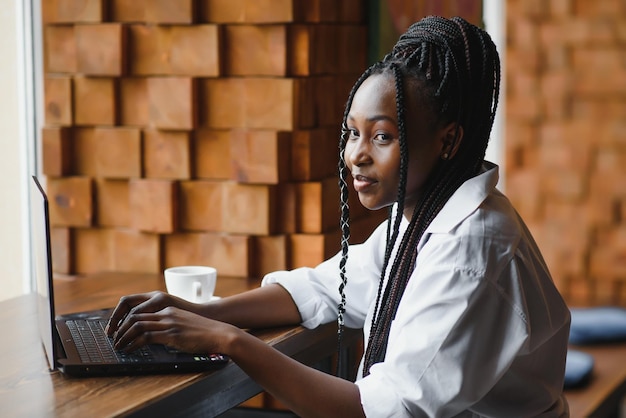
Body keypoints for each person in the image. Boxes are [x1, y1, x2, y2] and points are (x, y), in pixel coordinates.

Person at [106, 16, 571, 417]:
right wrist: (201, 311)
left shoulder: (469, 249)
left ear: (448, 141)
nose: (357, 155)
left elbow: (378, 412)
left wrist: (229, 340)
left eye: (383, 137)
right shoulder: (420, 218)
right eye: (352, 133)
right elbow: (324, 288)